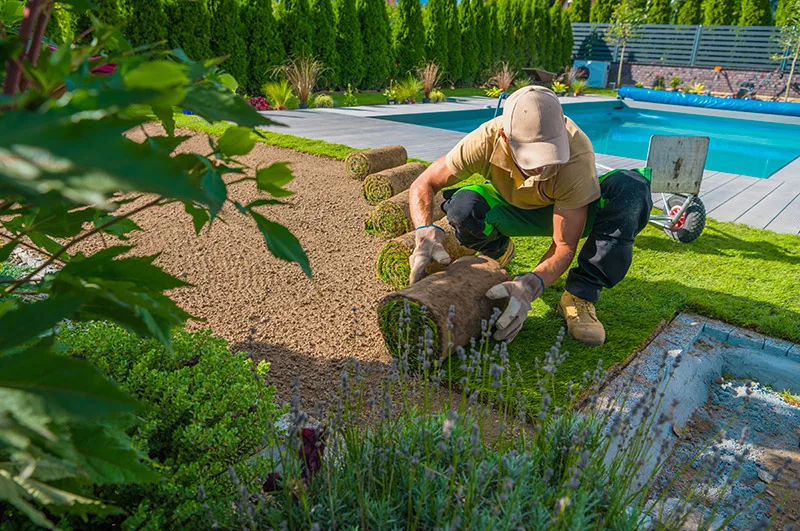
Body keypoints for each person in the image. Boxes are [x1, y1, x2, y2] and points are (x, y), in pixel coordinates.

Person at [408, 86, 652, 346]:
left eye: (550, 153)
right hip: (514, 206)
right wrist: (424, 230)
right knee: (462, 207)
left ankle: (580, 295)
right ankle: (498, 250)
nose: (542, 166)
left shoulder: (576, 151)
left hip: (573, 210)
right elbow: (424, 183)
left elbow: (563, 245)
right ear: (504, 136)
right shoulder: (484, 140)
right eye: (532, 155)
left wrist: (532, 284)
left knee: (631, 190)